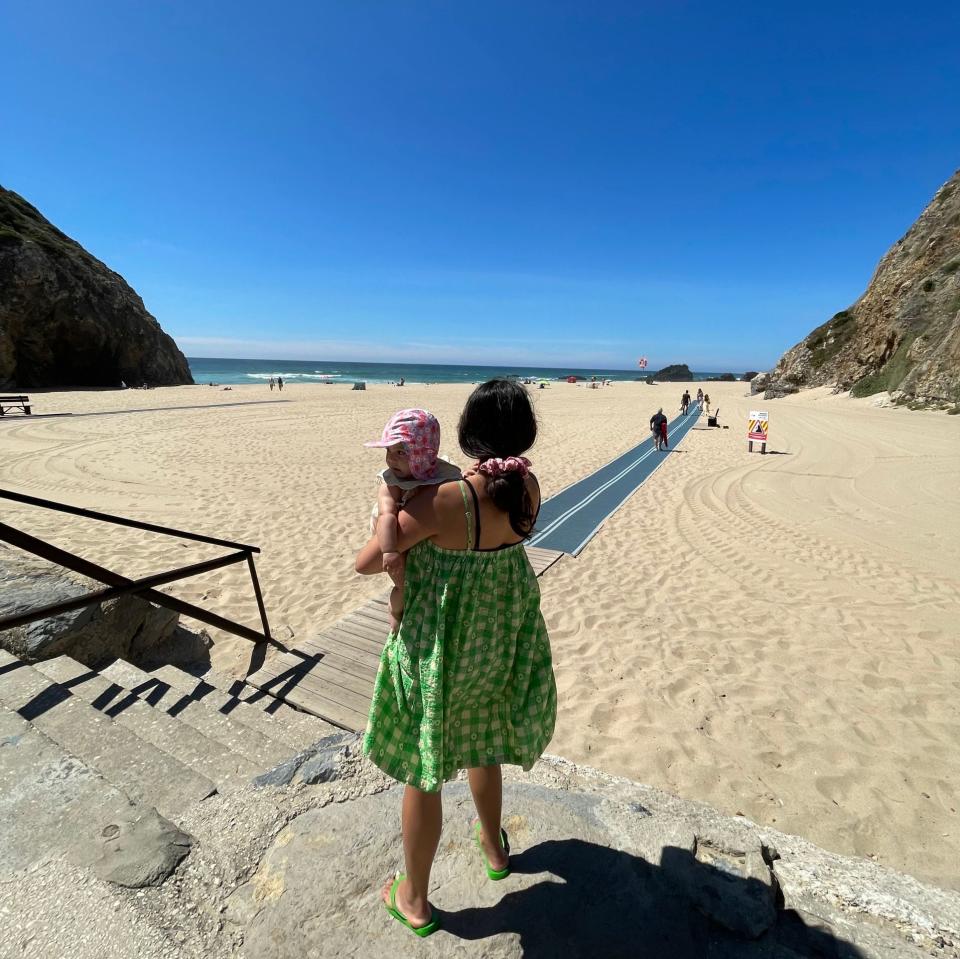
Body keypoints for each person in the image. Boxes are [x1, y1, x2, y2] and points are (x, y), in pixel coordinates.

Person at [356, 379, 557, 938]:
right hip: (497, 641)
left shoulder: (445, 500)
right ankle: (494, 847)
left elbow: (367, 562)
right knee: (482, 739)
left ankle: (415, 899)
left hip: (442, 647)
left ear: (468, 435)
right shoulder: (528, 488)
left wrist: (384, 506)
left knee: (426, 768)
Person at [364, 409, 461, 632]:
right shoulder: (392, 483)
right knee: (404, 585)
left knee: (422, 581)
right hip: (390, 533)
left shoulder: (440, 475)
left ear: (424, 454)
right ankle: (395, 613)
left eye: (400, 452)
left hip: (419, 535)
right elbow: (387, 515)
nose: (390, 459)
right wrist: (389, 551)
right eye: (388, 451)